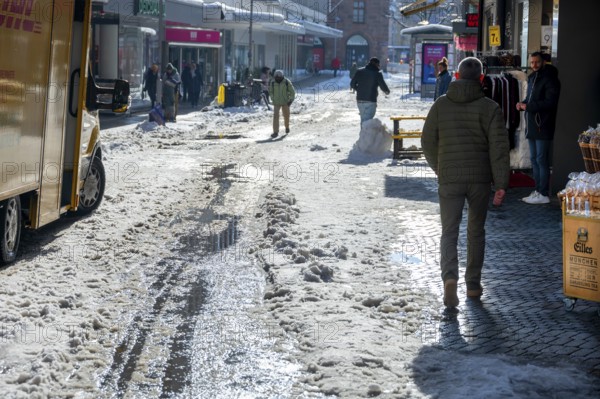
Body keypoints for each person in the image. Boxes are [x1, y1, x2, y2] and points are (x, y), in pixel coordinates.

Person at [421, 57, 510, 308]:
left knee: (449, 231)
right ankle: (473, 284)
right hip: (480, 179)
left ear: (457, 77)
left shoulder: (441, 105)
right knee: (476, 231)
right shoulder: (490, 107)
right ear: (482, 79)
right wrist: (501, 183)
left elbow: (427, 141)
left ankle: (449, 279)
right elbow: (499, 149)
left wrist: (439, 168)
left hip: (450, 177)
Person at [516, 51, 561, 205]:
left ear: (543, 62)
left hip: (544, 124)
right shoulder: (532, 78)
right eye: (532, 62)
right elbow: (530, 99)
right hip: (532, 124)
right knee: (534, 159)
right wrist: (522, 104)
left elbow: (550, 103)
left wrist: (528, 106)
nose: (534, 65)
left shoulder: (550, 79)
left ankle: (543, 193)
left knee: (541, 159)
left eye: (537, 62)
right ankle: (537, 191)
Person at [350, 57, 390, 123]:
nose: (378, 66)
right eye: (378, 65)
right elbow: (383, 86)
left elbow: (352, 84)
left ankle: (363, 132)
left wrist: (359, 90)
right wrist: (387, 91)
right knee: (367, 122)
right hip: (370, 100)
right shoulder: (377, 74)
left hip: (360, 100)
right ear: (376, 64)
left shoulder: (359, 71)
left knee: (363, 120)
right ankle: (364, 133)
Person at [268, 70, 295, 138]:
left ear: (282, 76)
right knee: (275, 116)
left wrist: (290, 100)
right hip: (276, 102)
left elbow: (292, 91)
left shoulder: (286, 82)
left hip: (285, 102)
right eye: (276, 77)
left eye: (279, 77)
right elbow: (270, 91)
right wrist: (272, 98)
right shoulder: (273, 82)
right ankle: (275, 132)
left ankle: (287, 127)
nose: (278, 79)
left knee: (286, 115)